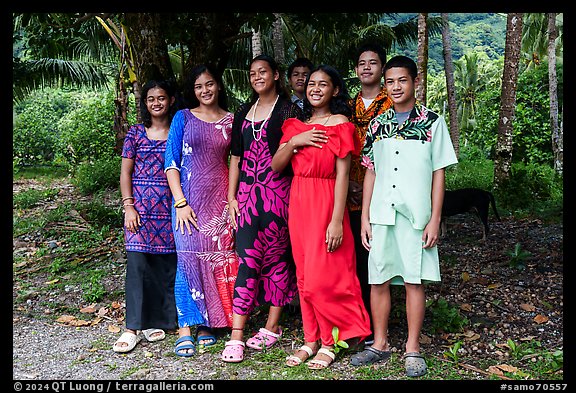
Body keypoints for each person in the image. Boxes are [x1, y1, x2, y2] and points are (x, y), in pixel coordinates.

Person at [350, 55, 458, 377]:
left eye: (402, 80)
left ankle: (413, 348)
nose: (396, 87)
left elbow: (439, 173)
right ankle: (379, 344)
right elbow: (370, 172)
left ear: (415, 82)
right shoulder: (377, 124)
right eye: (391, 81)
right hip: (382, 213)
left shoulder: (432, 122)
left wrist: (435, 218)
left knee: (413, 279)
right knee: (378, 278)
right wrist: (365, 218)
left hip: (416, 216)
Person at [272, 64, 371, 370]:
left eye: (323, 84)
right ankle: (310, 339)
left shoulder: (342, 125)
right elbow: (276, 166)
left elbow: (343, 176)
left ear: (335, 90)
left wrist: (335, 220)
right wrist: (294, 143)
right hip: (299, 204)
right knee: (304, 277)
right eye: (311, 83)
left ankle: (332, 340)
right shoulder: (294, 126)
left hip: (327, 204)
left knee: (324, 277)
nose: (315, 88)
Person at [222, 54, 301, 363]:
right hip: (246, 197)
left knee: (279, 259)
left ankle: (272, 325)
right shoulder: (243, 112)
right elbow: (235, 158)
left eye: (263, 71)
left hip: (278, 195)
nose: (257, 77)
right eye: (253, 72)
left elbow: (294, 157)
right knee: (247, 259)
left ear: (276, 75)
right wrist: (231, 196)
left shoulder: (289, 109)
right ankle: (237, 335)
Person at [164, 65, 239, 357]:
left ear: (218, 86)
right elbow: (171, 163)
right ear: (193, 92)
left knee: (215, 259)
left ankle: (208, 323)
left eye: (209, 84)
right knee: (187, 260)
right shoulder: (182, 117)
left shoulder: (232, 121)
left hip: (219, 202)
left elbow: (235, 162)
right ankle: (185, 328)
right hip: (187, 203)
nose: (204, 90)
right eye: (198, 87)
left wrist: (232, 201)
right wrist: (180, 202)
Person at [114, 79, 179, 353]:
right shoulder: (135, 133)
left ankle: (154, 322)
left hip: (169, 209)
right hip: (139, 211)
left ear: (171, 100)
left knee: (164, 266)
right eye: (151, 99)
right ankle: (132, 328)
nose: (156, 103)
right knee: (138, 265)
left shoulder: (179, 131)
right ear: (146, 103)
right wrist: (128, 206)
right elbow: (125, 173)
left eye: (161, 98)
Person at [348, 43, 393, 345]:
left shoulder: (391, 103)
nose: (367, 68)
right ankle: (358, 321)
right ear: (355, 70)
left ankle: (381, 326)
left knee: (377, 259)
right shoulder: (346, 105)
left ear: (382, 68)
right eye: (362, 63)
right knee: (354, 258)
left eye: (373, 63)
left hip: (381, 189)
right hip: (349, 190)